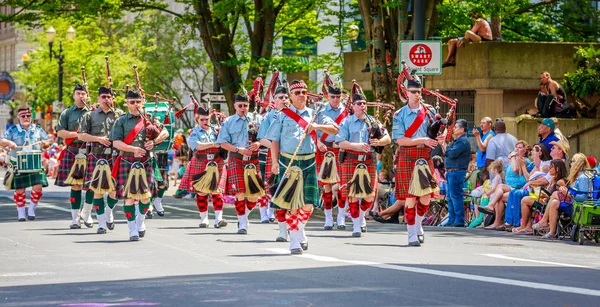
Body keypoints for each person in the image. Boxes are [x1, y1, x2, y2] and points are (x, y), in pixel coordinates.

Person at [266, 79, 339, 254]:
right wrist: (275, 162)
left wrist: (316, 126)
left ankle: (299, 230)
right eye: (297, 93)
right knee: (292, 204)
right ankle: (295, 241)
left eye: (304, 92)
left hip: (308, 161)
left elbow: (335, 128)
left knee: (308, 205)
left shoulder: (315, 113)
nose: (301, 96)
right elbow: (274, 140)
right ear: (290, 96)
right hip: (288, 162)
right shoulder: (281, 115)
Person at [110, 90, 169, 241]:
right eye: (132, 102)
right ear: (127, 103)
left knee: (145, 197)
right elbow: (116, 142)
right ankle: (132, 230)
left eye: (138, 102)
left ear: (142, 103)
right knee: (128, 198)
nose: (135, 105)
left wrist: (154, 142)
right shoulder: (121, 121)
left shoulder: (149, 119)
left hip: (146, 162)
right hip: (127, 160)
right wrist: (132, 149)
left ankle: (140, 221)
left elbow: (166, 133)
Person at [336, 92, 391, 237]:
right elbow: (340, 142)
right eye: (359, 103)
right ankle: (356, 226)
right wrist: (357, 145)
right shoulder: (346, 122)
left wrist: (379, 142)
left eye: (364, 103)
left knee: (369, 196)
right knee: (352, 195)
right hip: (351, 159)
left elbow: (388, 138)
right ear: (353, 106)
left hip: (369, 160)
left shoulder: (373, 121)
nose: (362, 106)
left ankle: (360, 216)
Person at [391, 78, 439, 246]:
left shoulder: (430, 111)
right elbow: (400, 141)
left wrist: (440, 134)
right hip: (408, 156)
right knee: (410, 197)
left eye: (419, 92)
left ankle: (418, 224)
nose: (416, 95)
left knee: (426, 196)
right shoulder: (399, 115)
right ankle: (411, 233)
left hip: (425, 156)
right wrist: (423, 139)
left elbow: (439, 129)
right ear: (407, 93)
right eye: (413, 92)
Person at [216, 93, 263, 235]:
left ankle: (244, 214)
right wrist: (238, 149)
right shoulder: (229, 122)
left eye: (246, 105)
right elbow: (222, 143)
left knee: (254, 196)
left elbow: (267, 138)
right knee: (240, 192)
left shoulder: (258, 119)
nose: (243, 108)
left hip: (253, 159)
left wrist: (258, 143)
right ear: (235, 106)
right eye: (240, 106)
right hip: (236, 158)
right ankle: (242, 223)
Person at [77, 86, 119, 234]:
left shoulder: (119, 115)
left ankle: (109, 211)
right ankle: (101, 224)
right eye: (103, 97)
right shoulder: (90, 116)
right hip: (97, 155)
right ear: (98, 99)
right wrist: (98, 139)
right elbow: (81, 135)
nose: (106, 99)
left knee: (114, 191)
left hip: (115, 156)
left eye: (109, 97)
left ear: (112, 99)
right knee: (98, 191)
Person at [178, 105, 228, 229]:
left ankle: (218, 219)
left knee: (217, 192)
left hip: (217, 162)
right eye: (202, 120)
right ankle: (204, 218)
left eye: (207, 119)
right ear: (197, 119)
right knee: (202, 192)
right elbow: (197, 146)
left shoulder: (217, 130)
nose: (205, 122)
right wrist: (213, 144)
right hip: (201, 162)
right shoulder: (194, 132)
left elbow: (225, 142)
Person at [0, 106, 51, 221]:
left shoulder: (37, 128)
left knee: (38, 188)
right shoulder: (13, 130)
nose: (25, 118)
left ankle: (32, 209)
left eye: (28, 116)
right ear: (18, 117)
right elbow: (1, 141)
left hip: (35, 163)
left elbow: (47, 141)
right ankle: (21, 213)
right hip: (18, 164)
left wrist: (45, 144)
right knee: (19, 190)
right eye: (23, 116)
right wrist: (9, 142)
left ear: (31, 117)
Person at [56, 84, 92, 229]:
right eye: (78, 93)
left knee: (91, 185)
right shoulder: (67, 113)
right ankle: (75, 219)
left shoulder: (93, 112)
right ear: (74, 95)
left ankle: (87, 213)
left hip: (90, 151)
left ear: (87, 96)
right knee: (76, 185)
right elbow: (60, 133)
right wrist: (78, 135)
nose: (81, 96)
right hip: (73, 151)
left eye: (83, 93)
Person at [258, 85, 291, 241]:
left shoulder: (295, 115)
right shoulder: (269, 117)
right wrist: (276, 147)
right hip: (275, 156)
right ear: (274, 100)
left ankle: (294, 227)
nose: (284, 100)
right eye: (280, 97)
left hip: (294, 158)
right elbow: (262, 138)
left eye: (286, 97)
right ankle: (282, 228)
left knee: (294, 194)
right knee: (277, 191)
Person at [532, 154, 589, 239]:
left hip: (577, 206)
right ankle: (552, 232)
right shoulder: (576, 177)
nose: (571, 164)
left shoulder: (583, 178)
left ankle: (544, 221)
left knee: (555, 194)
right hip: (572, 202)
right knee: (554, 202)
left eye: (572, 162)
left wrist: (567, 193)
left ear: (577, 163)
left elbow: (584, 197)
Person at [317, 85, 347, 230]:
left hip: (341, 149)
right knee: (327, 185)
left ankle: (341, 216)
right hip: (325, 148)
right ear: (328, 96)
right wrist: (318, 142)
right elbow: (312, 129)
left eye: (338, 97)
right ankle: (328, 217)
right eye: (333, 97)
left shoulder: (347, 110)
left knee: (342, 184)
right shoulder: (320, 110)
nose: (335, 100)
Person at [437, 119, 471, 227]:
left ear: (462, 129)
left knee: (456, 196)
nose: (454, 129)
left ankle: (459, 220)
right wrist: (443, 144)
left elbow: (452, 153)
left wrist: (444, 145)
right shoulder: (457, 141)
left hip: (457, 171)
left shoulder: (463, 141)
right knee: (450, 197)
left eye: (456, 127)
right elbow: (447, 152)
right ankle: (452, 219)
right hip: (451, 172)